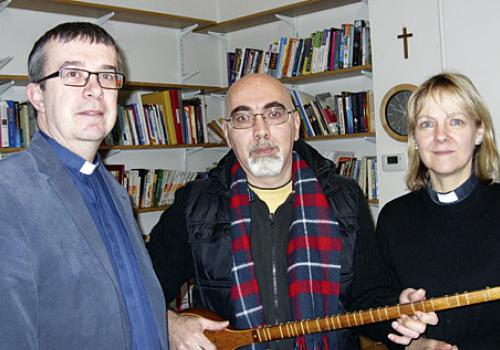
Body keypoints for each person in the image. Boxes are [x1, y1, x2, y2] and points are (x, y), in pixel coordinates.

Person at [147, 73, 435, 350]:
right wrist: (169, 323)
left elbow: (367, 297)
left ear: (295, 125)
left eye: (274, 114)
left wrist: (400, 319)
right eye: (243, 118)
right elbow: (139, 287)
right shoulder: (194, 204)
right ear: (227, 133)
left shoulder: (345, 198)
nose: (261, 131)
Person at [0, 22, 168, 349]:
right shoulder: (8, 192)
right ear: (37, 96)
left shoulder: (116, 192)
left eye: (107, 76)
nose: (95, 90)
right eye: (74, 74)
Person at [350, 72, 500, 350]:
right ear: (415, 139)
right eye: (427, 124)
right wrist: (404, 328)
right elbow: (368, 302)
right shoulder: (394, 217)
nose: (440, 136)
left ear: (479, 132)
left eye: (455, 121)